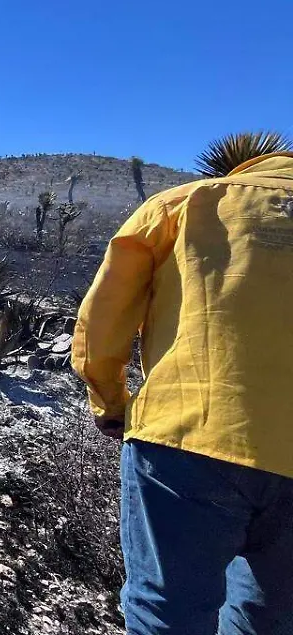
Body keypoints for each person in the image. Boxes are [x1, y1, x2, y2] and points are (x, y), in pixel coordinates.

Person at [72, 151, 293, 634]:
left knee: (167, 613)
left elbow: (102, 320)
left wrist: (110, 402)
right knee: (271, 619)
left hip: (187, 436)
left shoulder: (184, 204)